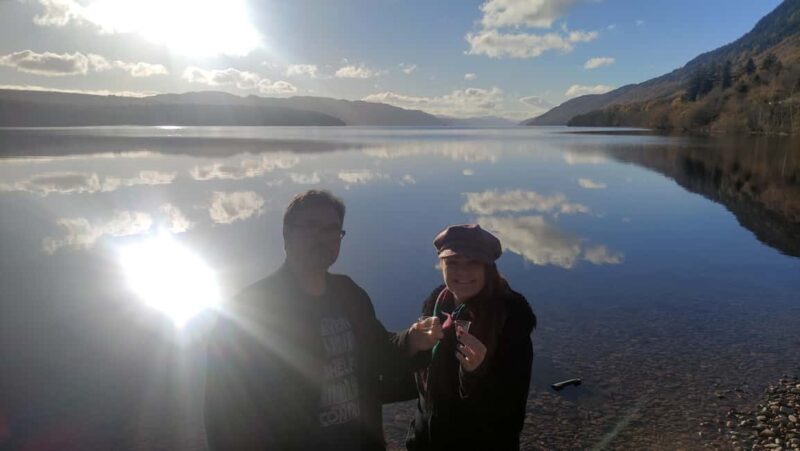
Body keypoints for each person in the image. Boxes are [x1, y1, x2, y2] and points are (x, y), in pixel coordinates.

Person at [204, 190, 442, 450]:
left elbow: (379, 352)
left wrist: (412, 340)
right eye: (311, 227)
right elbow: (223, 415)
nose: (323, 238)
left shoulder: (349, 293)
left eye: (332, 229)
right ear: (286, 234)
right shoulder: (249, 310)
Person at [405, 224, 536, 451]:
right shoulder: (437, 302)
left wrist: (476, 374)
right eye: (452, 263)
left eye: (473, 263)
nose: (462, 273)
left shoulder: (509, 318)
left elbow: (510, 412)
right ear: (441, 265)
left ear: (488, 268)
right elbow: (422, 386)